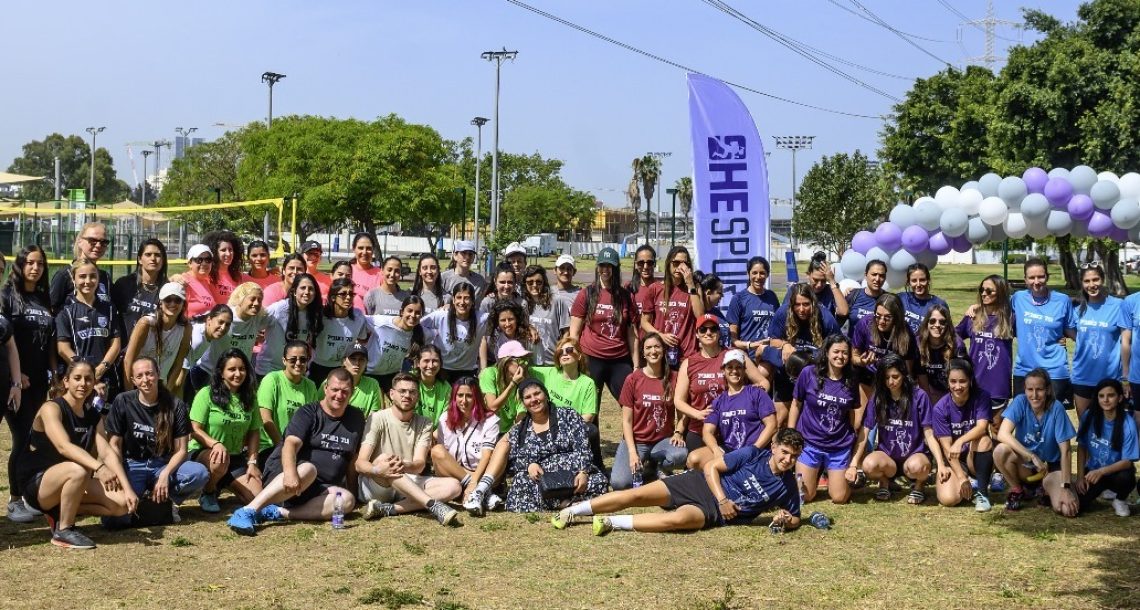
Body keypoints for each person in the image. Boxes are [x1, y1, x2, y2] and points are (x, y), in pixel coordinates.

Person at [552, 428, 804, 535]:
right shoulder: (752, 454)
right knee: (635, 495)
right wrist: (723, 499)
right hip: (701, 484)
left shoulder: (788, 485)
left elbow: (795, 518)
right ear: (773, 447)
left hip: (712, 512)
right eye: (785, 452)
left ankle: (611, 523)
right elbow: (711, 467)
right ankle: (573, 511)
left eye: (794, 456)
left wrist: (785, 519)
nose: (788, 460)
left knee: (677, 521)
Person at [227, 367, 365, 535]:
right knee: (308, 469)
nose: (339, 395)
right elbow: (290, 445)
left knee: (346, 500)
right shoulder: (308, 412)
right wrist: (291, 473)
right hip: (286, 474)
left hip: (318, 488)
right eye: (335, 389)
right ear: (326, 388)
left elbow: (352, 458)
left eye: (345, 391)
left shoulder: (356, 418)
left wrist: (354, 492)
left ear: (352, 392)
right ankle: (248, 510)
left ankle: (279, 512)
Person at [14, 360, 134, 549]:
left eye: (88, 379)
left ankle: (59, 512)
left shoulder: (92, 415)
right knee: (78, 470)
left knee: (121, 505)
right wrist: (99, 468)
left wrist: (128, 488)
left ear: (94, 383)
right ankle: (64, 530)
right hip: (38, 484)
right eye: (77, 378)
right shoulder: (52, 408)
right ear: (66, 381)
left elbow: (107, 453)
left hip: (73, 479)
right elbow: (63, 446)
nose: (83, 383)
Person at [468, 379, 608, 513]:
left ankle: (560, 502)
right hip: (543, 479)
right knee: (520, 485)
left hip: (573, 473)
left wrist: (583, 472)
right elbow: (515, 459)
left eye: (537, 394)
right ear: (523, 403)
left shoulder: (568, 415)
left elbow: (583, 446)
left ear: (545, 395)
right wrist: (529, 465)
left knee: (598, 481)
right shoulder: (520, 429)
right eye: (528, 397)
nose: (533, 399)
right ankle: (566, 503)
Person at [103, 357, 210, 527]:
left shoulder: (175, 405)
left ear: (158, 374)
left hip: (162, 463)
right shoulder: (123, 401)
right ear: (133, 380)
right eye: (139, 376)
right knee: (114, 521)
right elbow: (114, 445)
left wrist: (165, 474)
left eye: (149, 374)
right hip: (132, 464)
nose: (145, 380)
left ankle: (167, 502)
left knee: (199, 473)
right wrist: (121, 478)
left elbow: (182, 450)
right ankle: (149, 506)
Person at [355, 373, 462, 525]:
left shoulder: (425, 423)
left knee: (454, 486)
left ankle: (389, 509)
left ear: (417, 396)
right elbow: (360, 463)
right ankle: (432, 505)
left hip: (407, 482)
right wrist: (378, 470)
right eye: (402, 391)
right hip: (377, 484)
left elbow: (419, 465)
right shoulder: (377, 418)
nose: (407, 395)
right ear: (392, 394)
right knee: (386, 459)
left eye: (412, 392)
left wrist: (403, 464)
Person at [2, 245, 54, 523]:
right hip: (17, 382)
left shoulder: (43, 297)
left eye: (40, 263)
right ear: (20, 265)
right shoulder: (7, 295)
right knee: (22, 437)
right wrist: (17, 375)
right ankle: (13, 500)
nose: (35, 268)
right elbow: (6, 340)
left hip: (40, 381)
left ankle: (27, 495)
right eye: (30, 263)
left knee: (34, 439)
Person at [675, 314, 767, 451]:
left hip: (734, 427)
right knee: (696, 461)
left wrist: (747, 397)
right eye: (703, 329)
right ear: (697, 334)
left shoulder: (735, 355)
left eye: (713, 329)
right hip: (700, 428)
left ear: (719, 333)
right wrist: (697, 414)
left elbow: (763, 382)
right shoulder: (689, 363)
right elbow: (678, 401)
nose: (708, 333)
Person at [788, 334, 862, 504]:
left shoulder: (851, 379)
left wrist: (852, 433)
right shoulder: (808, 373)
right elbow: (796, 404)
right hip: (809, 442)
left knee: (839, 497)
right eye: (836, 351)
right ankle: (814, 472)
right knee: (805, 496)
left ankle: (834, 475)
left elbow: (852, 411)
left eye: (845, 352)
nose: (840, 356)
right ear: (827, 352)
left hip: (838, 446)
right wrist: (791, 434)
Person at [994, 368, 1078, 516]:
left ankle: (1045, 489)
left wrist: (1065, 487)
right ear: (1025, 390)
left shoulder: (1056, 408)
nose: (1034, 395)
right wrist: (1031, 456)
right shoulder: (1020, 402)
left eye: (1039, 389)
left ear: (1048, 390)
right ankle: (1017, 490)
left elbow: (1066, 451)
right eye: (1030, 389)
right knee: (1000, 450)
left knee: (1067, 509)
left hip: (1050, 469)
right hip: (1028, 465)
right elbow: (1002, 433)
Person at [188, 348, 264, 512]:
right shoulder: (206, 394)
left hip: (234, 456)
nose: (238, 374)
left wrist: (252, 462)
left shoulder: (250, 397)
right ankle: (209, 491)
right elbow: (193, 428)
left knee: (257, 498)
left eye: (242, 369)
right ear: (221, 373)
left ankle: (222, 481)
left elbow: (254, 432)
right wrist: (215, 444)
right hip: (205, 453)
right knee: (219, 460)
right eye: (232, 369)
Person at [858, 354, 939, 505]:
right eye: (886, 377)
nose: (891, 382)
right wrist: (853, 464)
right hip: (887, 459)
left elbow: (929, 433)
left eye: (895, 377)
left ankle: (919, 485)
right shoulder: (878, 397)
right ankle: (884, 482)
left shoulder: (919, 396)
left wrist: (940, 464)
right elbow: (865, 430)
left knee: (918, 466)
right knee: (868, 465)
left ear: (904, 375)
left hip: (914, 455)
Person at [610, 333, 686, 490]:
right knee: (619, 483)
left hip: (662, 440)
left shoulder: (674, 378)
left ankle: (658, 466)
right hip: (637, 441)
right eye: (648, 348)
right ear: (643, 353)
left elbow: (682, 412)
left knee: (680, 456)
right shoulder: (633, 379)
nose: (653, 351)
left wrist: (678, 432)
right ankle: (648, 465)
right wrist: (632, 452)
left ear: (664, 350)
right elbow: (627, 421)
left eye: (657, 347)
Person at [569, 247, 637, 412]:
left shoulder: (625, 296)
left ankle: (629, 431)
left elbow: (632, 334)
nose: (605, 269)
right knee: (590, 408)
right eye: (602, 265)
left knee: (632, 404)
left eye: (610, 266)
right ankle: (591, 431)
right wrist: (575, 360)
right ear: (597, 267)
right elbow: (574, 333)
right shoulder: (587, 293)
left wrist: (636, 365)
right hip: (592, 358)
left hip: (619, 359)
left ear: (616, 268)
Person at [687, 349, 777, 470]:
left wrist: (754, 449)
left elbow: (772, 425)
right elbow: (707, 432)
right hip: (729, 450)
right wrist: (716, 450)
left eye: (738, 367)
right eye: (730, 367)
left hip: (754, 449)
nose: (734, 371)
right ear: (723, 371)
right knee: (693, 459)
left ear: (744, 370)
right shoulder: (718, 401)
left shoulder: (757, 393)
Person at [766, 284, 842, 425]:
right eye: (797, 305)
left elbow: (839, 345)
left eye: (806, 304)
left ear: (813, 303)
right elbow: (772, 340)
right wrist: (785, 345)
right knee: (780, 420)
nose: (801, 309)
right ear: (791, 304)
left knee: (808, 420)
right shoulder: (783, 313)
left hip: (814, 375)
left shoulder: (825, 318)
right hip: (788, 372)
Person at [932, 359, 996, 511]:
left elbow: (982, 428)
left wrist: (960, 441)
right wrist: (961, 478)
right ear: (947, 382)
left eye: (962, 381)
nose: (957, 386)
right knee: (949, 499)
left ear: (971, 380)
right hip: (954, 460)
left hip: (974, 455)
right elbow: (947, 448)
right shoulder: (940, 408)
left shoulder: (982, 396)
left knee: (984, 441)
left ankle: (982, 493)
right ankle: (968, 481)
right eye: (953, 381)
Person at [429, 377, 500, 515]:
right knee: (437, 451)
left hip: (479, 472)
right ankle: (482, 492)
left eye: (469, 396)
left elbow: (487, 456)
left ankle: (474, 490)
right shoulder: (445, 418)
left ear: (477, 397)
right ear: (454, 397)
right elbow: (443, 456)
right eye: (460, 395)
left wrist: (474, 481)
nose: (464, 400)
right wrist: (471, 482)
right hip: (451, 472)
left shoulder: (490, 420)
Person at [1011, 257, 1076, 408]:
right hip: (1024, 370)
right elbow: (996, 307)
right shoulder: (1018, 298)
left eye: (1040, 276)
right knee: (1023, 416)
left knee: (1054, 416)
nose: (1036, 281)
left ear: (1047, 276)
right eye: (1031, 277)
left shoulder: (1062, 300)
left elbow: (1071, 329)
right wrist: (976, 306)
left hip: (1054, 370)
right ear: (1025, 279)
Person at [56, 260, 122, 401]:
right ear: (74, 279)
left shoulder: (109, 308)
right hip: (79, 380)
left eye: (93, 276)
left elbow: (116, 344)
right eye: (82, 276)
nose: (88, 281)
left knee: (105, 415)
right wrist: (87, 374)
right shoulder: (66, 311)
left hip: (105, 378)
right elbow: (63, 349)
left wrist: (100, 370)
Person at [1071, 262, 1129, 417]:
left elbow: (1127, 341)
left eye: (1095, 279)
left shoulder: (1119, 306)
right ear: (1082, 283)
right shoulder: (1076, 308)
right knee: (1085, 426)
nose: (1092, 285)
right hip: (1082, 377)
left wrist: (1126, 376)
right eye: (1087, 281)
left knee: (1110, 426)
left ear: (1103, 279)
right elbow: (1066, 329)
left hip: (1110, 378)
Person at [1075, 379, 1138, 516]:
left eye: (1111, 395)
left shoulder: (1128, 423)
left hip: (1116, 473)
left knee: (1127, 478)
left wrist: (1102, 471)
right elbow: (1082, 446)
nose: (1106, 400)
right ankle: (1101, 490)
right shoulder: (1089, 416)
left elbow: (1127, 462)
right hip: (1094, 472)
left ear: (1120, 398)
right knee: (1077, 507)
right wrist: (1080, 477)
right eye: (1101, 396)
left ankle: (1120, 499)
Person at [957, 275, 1015, 421]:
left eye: (989, 291)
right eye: (981, 290)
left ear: (1000, 292)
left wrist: (1058, 338)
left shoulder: (1010, 318)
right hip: (975, 383)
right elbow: (953, 335)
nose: (984, 294)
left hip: (998, 385)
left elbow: (1030, 335)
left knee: (996, 428)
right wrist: (961, 355)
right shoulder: (973, 317)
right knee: (976, 428)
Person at [256, 341, 321, 465]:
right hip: (271, 447)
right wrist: (283, 447)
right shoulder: (272, 379)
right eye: (293, 359)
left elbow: (313, 421)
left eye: (303, 359)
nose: (298, 363)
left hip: (299, 449)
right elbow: (265, 419)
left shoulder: (310, 386)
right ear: (284, 361)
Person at [641, 245, 705, 366]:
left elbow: (700, 316)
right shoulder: (655, 288)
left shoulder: (694, 288)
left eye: (684, 264)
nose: (679, 267)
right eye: (675, 263)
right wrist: (660, 335)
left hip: (687, 354)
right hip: (661, 354)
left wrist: (690, 285)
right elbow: (644, 322)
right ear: (668, 264)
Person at [122, 282, 190, 394]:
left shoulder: (186, 328)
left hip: (160, 385)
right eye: (168, 299)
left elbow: (179, 363)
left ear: (183, 304)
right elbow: (128, 360)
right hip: (136, 384)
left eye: (178, 300)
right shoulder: (146, 324)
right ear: (160, 303)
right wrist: (130, 396)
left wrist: (167, 392)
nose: (172, 303)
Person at [544, 337, 601, 467]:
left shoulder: (587, 383)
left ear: (579, 356)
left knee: (591, 430)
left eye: (569, 350)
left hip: (573, 430)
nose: (564, 353)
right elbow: (523, 370)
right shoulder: (549, 373)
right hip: (548, 428)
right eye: (561, 351)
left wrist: (565, 430)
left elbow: (588, 416)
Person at [851, 293, 917, 406]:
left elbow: (908, 369)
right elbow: (854, 356)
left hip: (893, 383)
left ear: (897, 317)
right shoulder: (866, 323)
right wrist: (861, 362)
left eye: (887, 317)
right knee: (861, 417)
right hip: (867, 378)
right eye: (878, 316)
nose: (881, 321)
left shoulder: (905, 332)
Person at [255, 272, 322, 378]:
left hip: (295, 369)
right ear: (294, 291)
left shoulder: (315, 314)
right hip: (269, 368)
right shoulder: (278, 309)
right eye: (303, 288)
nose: (307, 292)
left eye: (311, 289)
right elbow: (255, 323)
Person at [421, 282, 485, 380]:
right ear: (453, 300)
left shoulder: (481, 319)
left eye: (466, 298)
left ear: (473, 301)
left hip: (467, 371)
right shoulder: (441, 315)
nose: (462, 302)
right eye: (459, 297)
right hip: (441, 369)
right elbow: (416, 326)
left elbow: (500, 316)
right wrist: (431, 335)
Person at [310, 277, 369, 384]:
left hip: (343, 368)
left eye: (351, 294)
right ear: (333, 297)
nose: (348, 297)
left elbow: (362, 340)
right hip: (318, 367)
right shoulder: (320, 317)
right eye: (343, 294)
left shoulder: (358, 317)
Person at [480, 341, 543, 434]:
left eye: (526, 360)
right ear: (506, 362)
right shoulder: (489, 373)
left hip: (507, 433)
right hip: (486, 432)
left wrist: (517, 433)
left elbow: (521, 413)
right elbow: (492, 407)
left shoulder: (522, 381)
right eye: (521, 360)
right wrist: (513, 383)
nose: (525, 364)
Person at [364, 295, 425, 390]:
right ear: (401, 311)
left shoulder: (419, 334)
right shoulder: (382, 323)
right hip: (369, 374)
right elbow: (359, 319)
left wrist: (445, 308)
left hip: (392, 378)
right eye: (409, 311)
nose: (413, 315)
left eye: (417, 313)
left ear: (421, 315)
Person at [49, 222, 112, 312]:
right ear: (80, 242)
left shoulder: (105, 277)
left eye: (103, 242)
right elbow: (52, 309)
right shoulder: (65, 275)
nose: (98, 245)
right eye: (92, 240)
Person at [111, 238, 169, 336]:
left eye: (158, 255)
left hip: (152, 343)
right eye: (148, 254)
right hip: (124, 343)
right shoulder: (124, 284)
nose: (153, 258)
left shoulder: (167, 289)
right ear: (139, 259)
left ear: (163, 260)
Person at [728, 256, 780, 359]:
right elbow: (733, 340)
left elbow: (779, 326)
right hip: (747, 358)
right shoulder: (738, 299)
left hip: (769, 356)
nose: (758, 277)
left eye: (762, 273)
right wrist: (750, 345)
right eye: (754, 273)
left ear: (767, 274)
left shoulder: (772, 296)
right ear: (748, 274)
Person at [521, 265, 570, 366]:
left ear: (544, 283)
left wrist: (561, 353)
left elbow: (566, 333)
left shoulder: (557, 302)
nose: (534, 285)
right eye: (530, 282)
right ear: (525, 284)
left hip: (552, 362)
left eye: (539, 282)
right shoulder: (522, 304)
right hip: (528, 362)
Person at [183, 304, 233, 402]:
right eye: (220, 322)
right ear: (209, 320)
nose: (223, 327)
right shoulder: (197, 338)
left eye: (227, 324)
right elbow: (180, 373)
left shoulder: (208, 336)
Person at [916, 304, 963, 406]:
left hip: (952, 392)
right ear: (926, 323)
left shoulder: (956, 344)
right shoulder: (918, 344)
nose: (937, 325)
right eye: (932, 321)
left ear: (947, 324)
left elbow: (962, 377)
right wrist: (929, 400)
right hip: (928, 391)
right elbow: (921, 374)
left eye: (942, 322)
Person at [329, 343, 383, 418]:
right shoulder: (331, 381)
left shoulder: (373, 384)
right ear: (344, 361)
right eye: (353, 359)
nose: (357, 363)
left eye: (361, 359)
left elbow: (373, 415)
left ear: (367, 363)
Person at [480, 300, 534, 369]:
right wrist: (483, 370)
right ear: (497, 322)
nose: (507, 324)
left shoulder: (528, 336)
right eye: (503, 320)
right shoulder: (493, 337)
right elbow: (483, 340)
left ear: (517, 319)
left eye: (511, 319)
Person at [225, 282, 271, 363]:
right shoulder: (225, 316)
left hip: (242, 367)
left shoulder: (258, 317)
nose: (256, 303)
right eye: (252, 299)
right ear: (240, 299)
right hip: (215, 367)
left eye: (259, 300)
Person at [898, 263, 949, 335]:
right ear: (909, 282)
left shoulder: (939, 304)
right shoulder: (901, 299)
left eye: (922, 280)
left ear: (928, 280)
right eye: (914, 280)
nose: (918, 284)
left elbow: (947, 331)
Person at [799, 251, 848, 319]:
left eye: (823, 281)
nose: (819, 285)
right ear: (808, 274)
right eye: (815, 280)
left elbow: (843, 312)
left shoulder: (830, 291)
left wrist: (832, 281)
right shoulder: (798, 290)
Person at [842, 259, 888, 329]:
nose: (877, 279)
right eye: (874, 274)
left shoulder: (889, 299)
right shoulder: (852, 295)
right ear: (865, 275)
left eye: (881, 275)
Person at [413, 345, 451, 426]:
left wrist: (434, 433)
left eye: (435, 361)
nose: (431, 365)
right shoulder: (409, 382)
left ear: (440, 363)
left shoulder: (446, 387)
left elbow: (447, 418)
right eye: (426, 361)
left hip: (437, 432)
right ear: (418, 363)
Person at [204, 230, 245, 302]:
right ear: (214, 252)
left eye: (230, 250)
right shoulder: (207, 274)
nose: (228, 254)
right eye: (223, 250)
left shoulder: (237, 276)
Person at [181, 243, 220, 318]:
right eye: (199, 260)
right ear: (190, 263)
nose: (204, 263)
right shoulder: (184, 281)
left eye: (208, 259)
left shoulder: (206, 281)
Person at [627, 245, 658, 336]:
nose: (645, 266)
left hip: (654, 341)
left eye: (650, 262)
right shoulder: (628, 288)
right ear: (636, 264)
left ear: (655, 264)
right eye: (641, 263)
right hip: (633, 341)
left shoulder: (661, 288)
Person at [349, 232, 382, 311]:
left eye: (368, 248)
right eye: (360, 248)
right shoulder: (346, 271)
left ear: (373, 250)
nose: (364, 252)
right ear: (354, 249)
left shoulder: (380, 275)